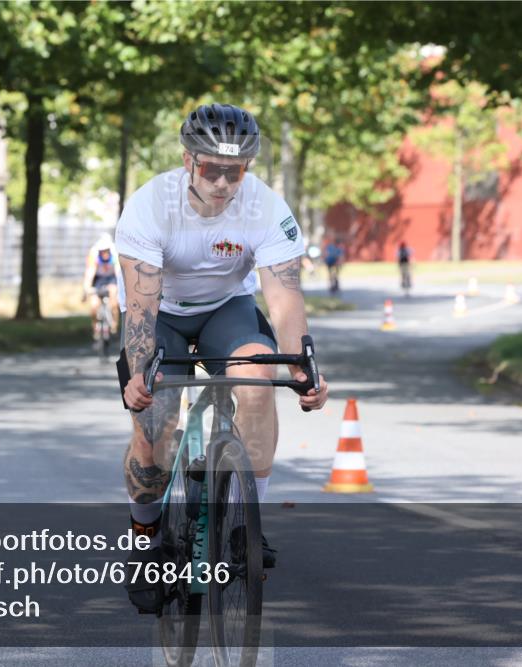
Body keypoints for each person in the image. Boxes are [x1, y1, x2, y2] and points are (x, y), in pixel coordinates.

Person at [115, 103, 329, 613]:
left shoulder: (265, 207)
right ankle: (145, 539)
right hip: (162, 313)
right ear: (188, 159)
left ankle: (244, 527)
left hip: (226, 310)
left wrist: (302, 368)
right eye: (212, 168)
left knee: (258, 375)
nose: (223, 182)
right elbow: (142, 307)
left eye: (235, 171)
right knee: (155, 424)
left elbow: (284, 299)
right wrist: (140, 373)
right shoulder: (150, 206)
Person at [82, 233, 120, 342]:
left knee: (114, 301)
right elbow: (90, 273)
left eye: (106, 250)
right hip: (98, 279)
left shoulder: (115, 253)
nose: (104, 253)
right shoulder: (94, 254)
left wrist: (120, 290)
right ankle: (95, 329)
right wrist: (85, 290)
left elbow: (118, 273)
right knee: (94, 306)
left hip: (111, 278)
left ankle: (114, 325)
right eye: (102, 251)